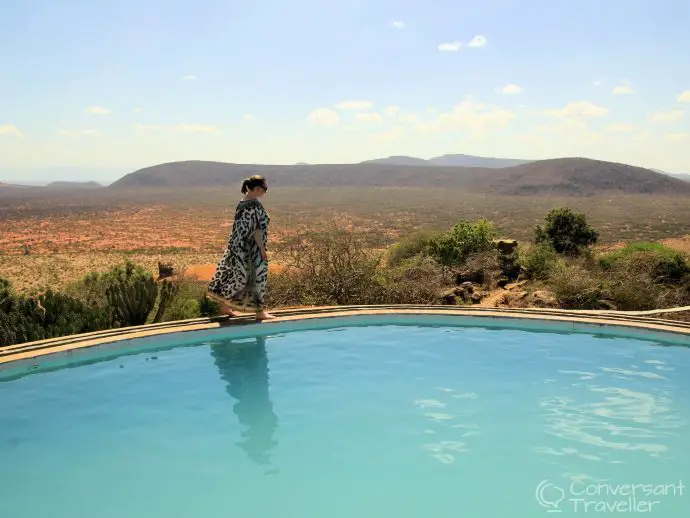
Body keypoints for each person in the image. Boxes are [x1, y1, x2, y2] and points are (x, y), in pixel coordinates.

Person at [207, 175, 275, 321]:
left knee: (235, 276)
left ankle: (225, 306)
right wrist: (262, 250)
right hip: (251, 249)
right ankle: (259, 312)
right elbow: (256, 231)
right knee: (257, 278)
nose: (264, 192)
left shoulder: (242, 202)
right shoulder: (254, 205)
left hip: (236, 246)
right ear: (256, 189)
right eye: (263, 189)